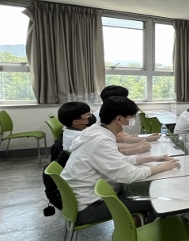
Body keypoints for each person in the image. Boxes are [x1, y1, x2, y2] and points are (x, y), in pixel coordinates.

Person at [60, 97, 181, 226]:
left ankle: (138, 224)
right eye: (130, 117)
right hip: (90, 207)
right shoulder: (100, 140)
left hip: (88, 196)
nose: (131, 121)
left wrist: (153, 158)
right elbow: (128, 175)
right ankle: (140, 232)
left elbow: (118, 160)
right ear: (119, 119)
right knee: (157, 200)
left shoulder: (96, 131)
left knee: (144, 189)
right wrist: (162, 167)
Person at [58, 101, 150, 155]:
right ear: (76, 122)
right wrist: (136, 147)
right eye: (88, 115)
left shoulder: (76, 130)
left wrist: (134, 142)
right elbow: (110, 147)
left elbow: (111, 142)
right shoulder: (80, 137)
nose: (92, 116)